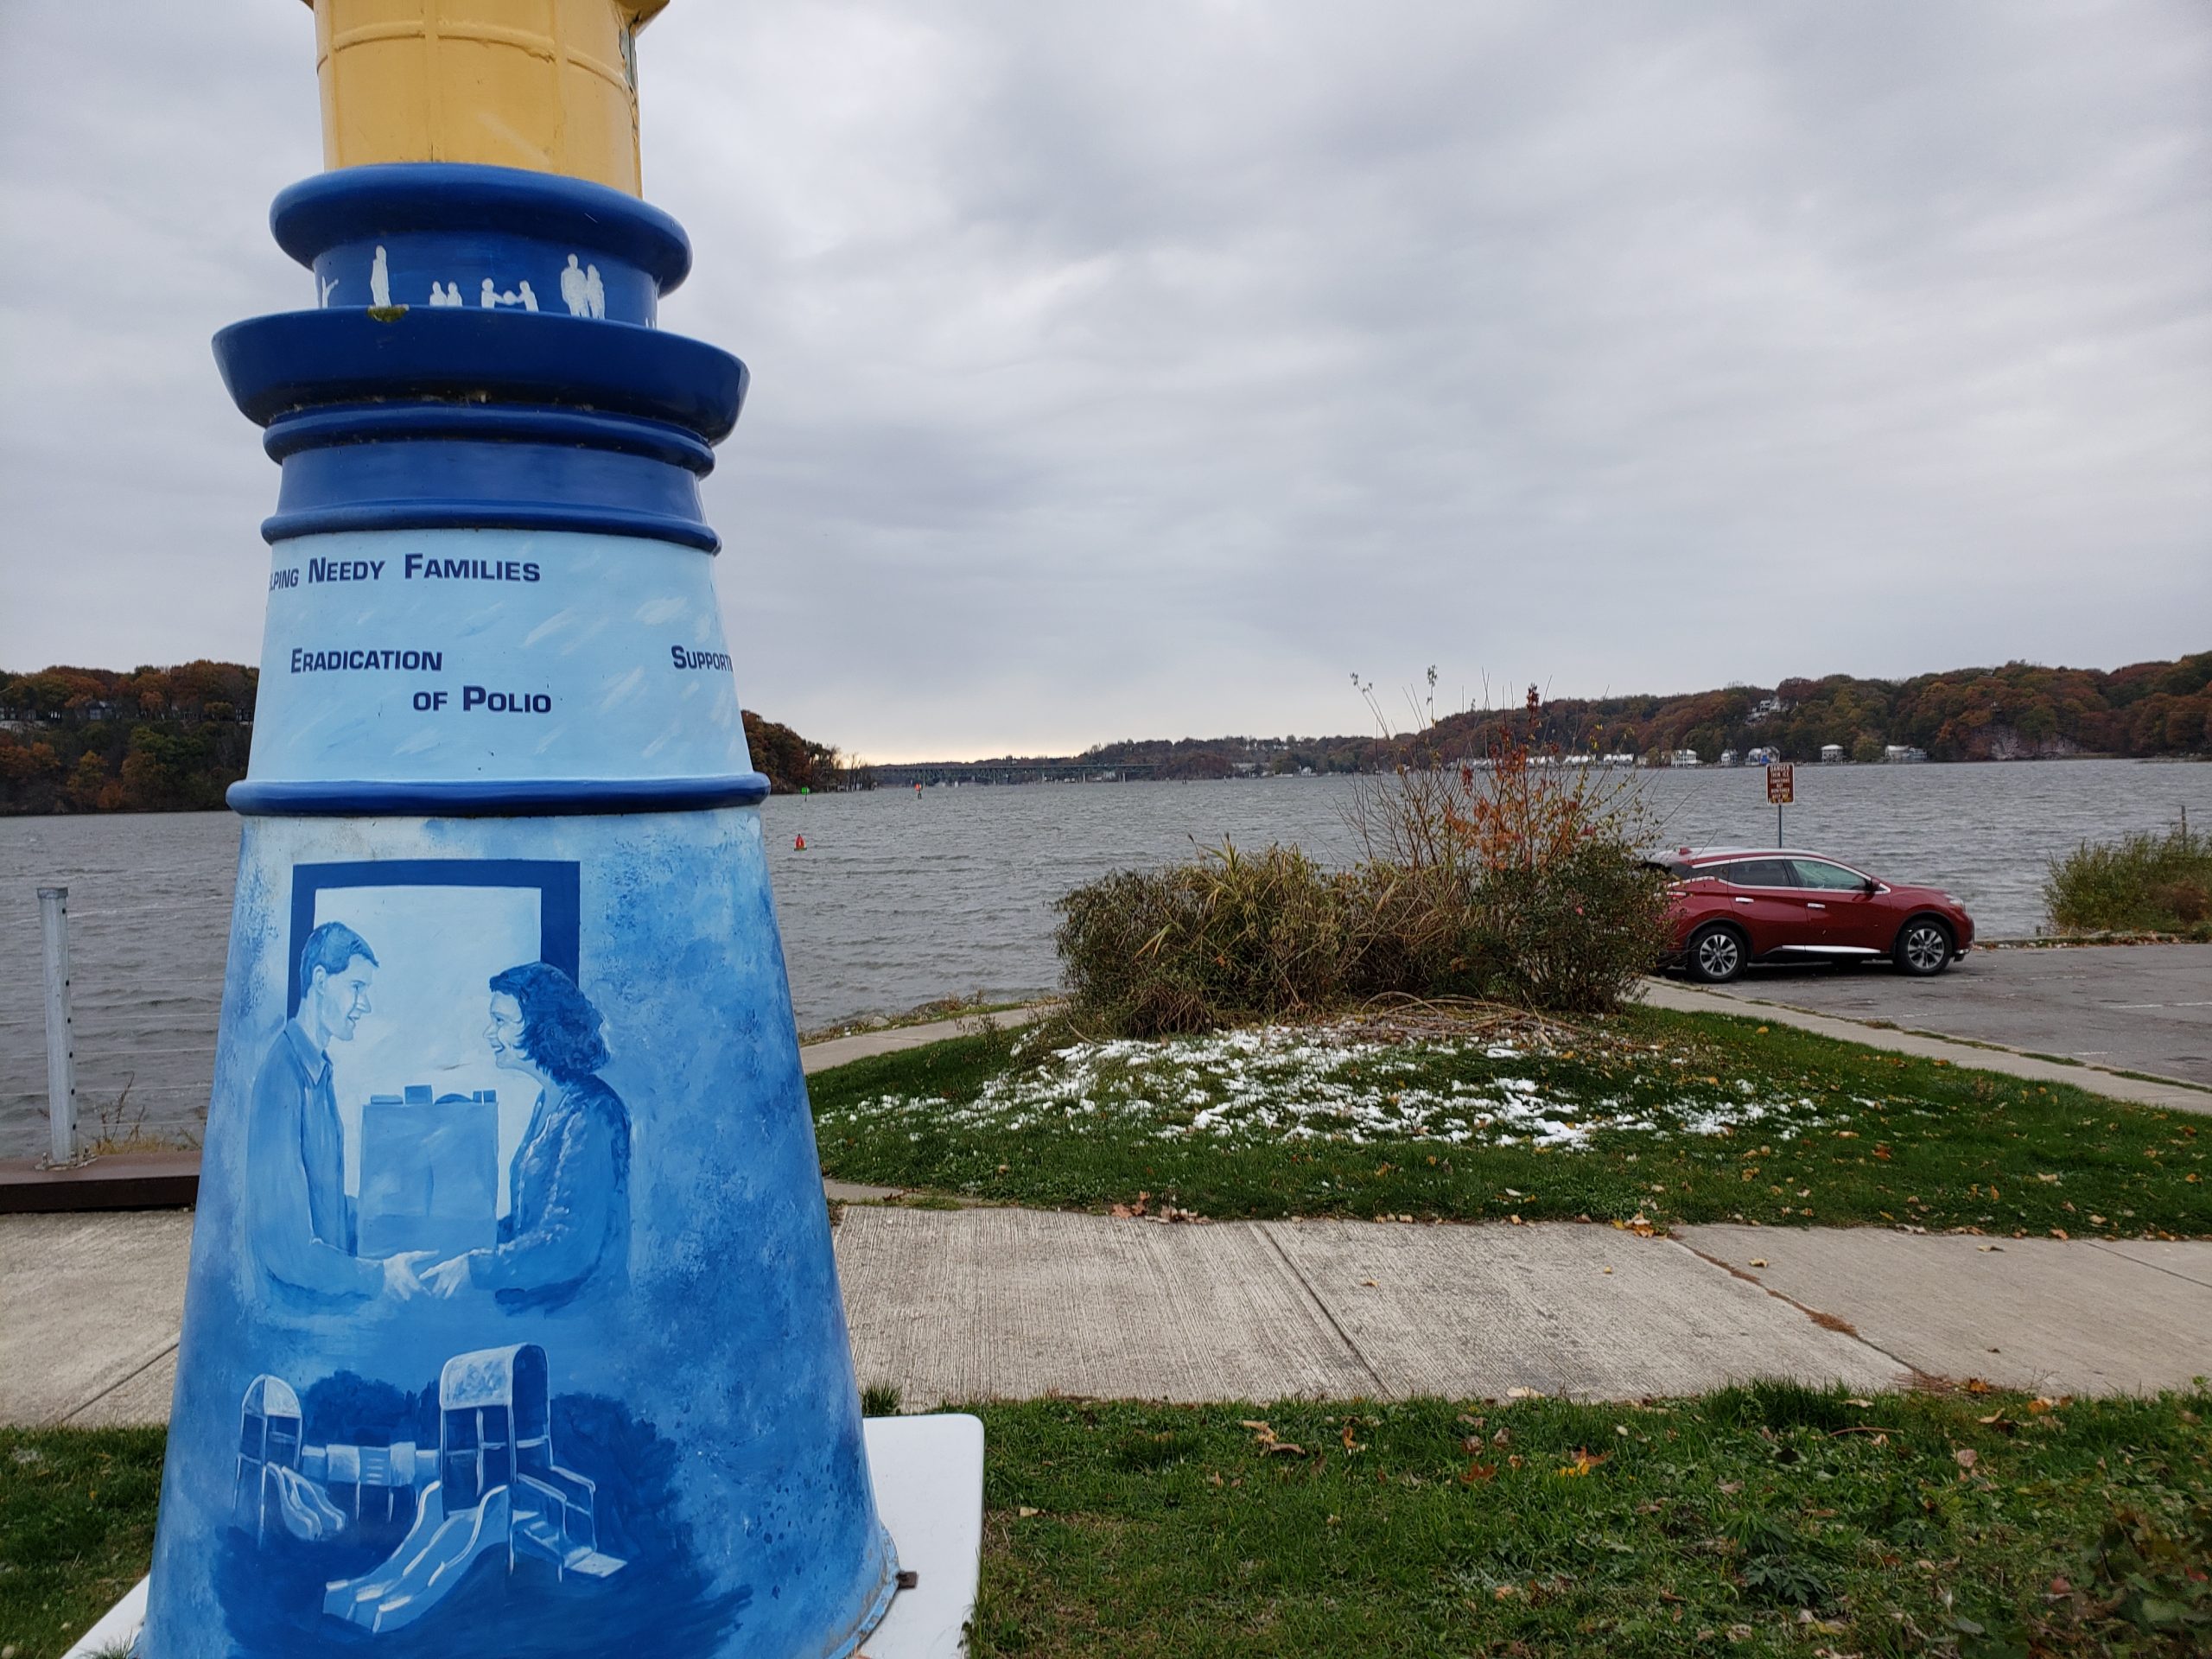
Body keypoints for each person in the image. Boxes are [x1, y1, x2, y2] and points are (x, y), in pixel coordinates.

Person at [419, 963, 630, 1309]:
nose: (489, 1033)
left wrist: (475, 1268)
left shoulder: (594, 1113)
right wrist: (462, 1246)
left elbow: (570, 1246)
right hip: (542, 1308)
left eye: (500, 1021)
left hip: (579, 1319)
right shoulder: (549, 1100)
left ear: (540, 1026)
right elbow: (529, 1227)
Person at [247, 923, 424, 1302]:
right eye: (357, 988)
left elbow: (325, 1205)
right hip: (299, 1311)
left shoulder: (317, 1071)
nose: (366, 1004)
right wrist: (379, 1277)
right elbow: (287, 1249)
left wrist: (406, 1226)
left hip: (324, 1294)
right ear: (321, 980)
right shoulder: (283, 1074)